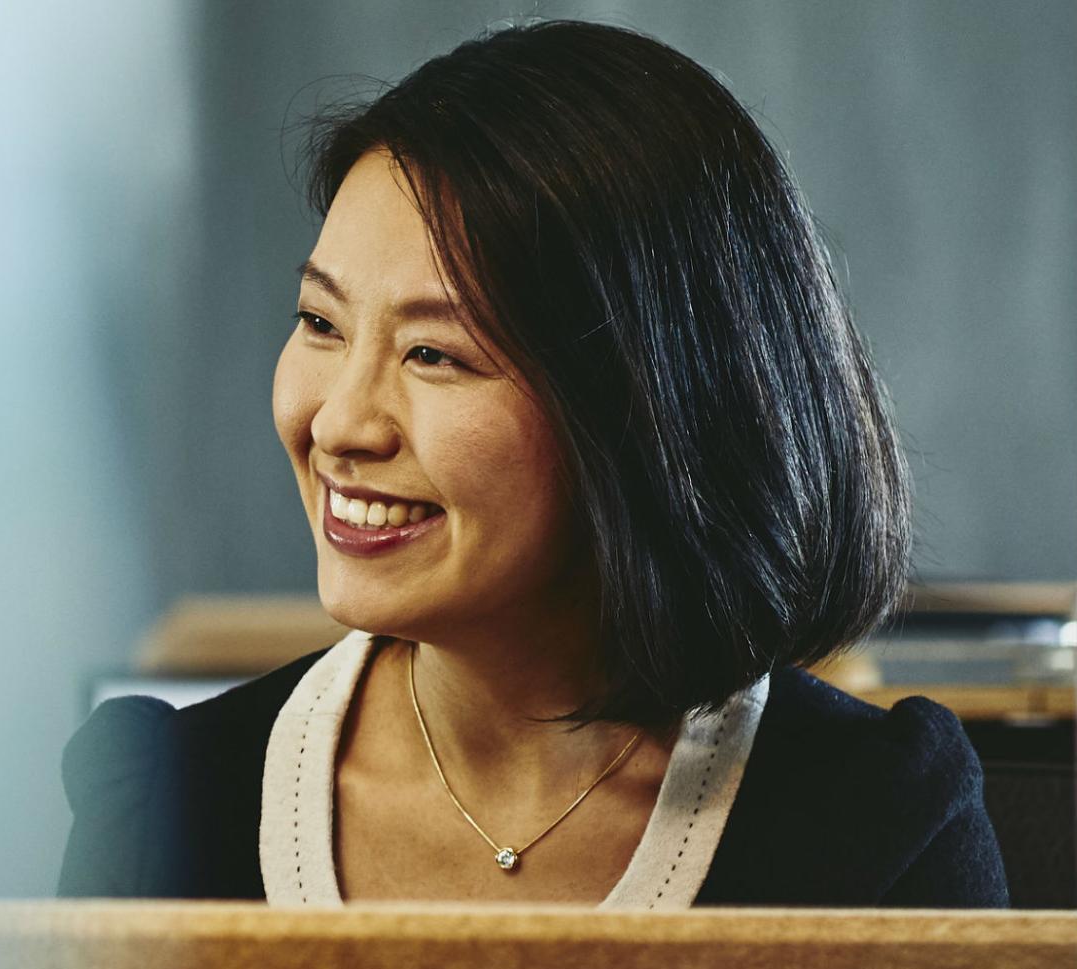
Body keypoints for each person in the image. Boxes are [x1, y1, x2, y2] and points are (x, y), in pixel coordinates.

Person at [57, 20, 1007, 908]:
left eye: (435, 354)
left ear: (648, 409)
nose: (341, 422)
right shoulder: (163, 809)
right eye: (319, 323)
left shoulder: (880, 824)